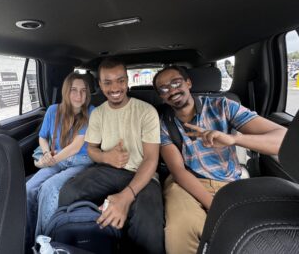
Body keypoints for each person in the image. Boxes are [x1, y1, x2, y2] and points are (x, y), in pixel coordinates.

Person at [153, 65, 287, 254]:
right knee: (181, 228)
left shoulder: (223, 106)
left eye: (176, 82)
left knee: (252, 232)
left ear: (188, 83)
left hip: (230, 181)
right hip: (186, 184)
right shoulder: (162, 122)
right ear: (161, 96)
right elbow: (179, 171)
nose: (172, 90)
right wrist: (215, 206)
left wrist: (235, 139)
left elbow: (284, 140)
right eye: (164, 88)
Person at [58, 58, 165, 254]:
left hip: (142, 174)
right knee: (68, 192)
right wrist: (106, 157)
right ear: (99, 85)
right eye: (107, 82)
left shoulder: (146, 111)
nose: (115, 87)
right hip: (106, 171)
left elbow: (151, 159)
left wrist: (125, 197)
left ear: (127, 81)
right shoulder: (98, 114)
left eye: (120, 80)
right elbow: (91, 149)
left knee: (148, 221)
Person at [25, 73, 95, 253]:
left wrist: (47, 162)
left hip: (80, 160)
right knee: (29, 188)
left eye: (83, 91)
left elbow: (76, 146)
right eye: (73, 90)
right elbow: (42, 137)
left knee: (49, 188)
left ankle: (45, 244)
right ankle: (27, 239)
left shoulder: (92, 111)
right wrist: (47, 154)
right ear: (66, 91)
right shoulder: (53, 110)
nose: (79, 95)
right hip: (55, 157)